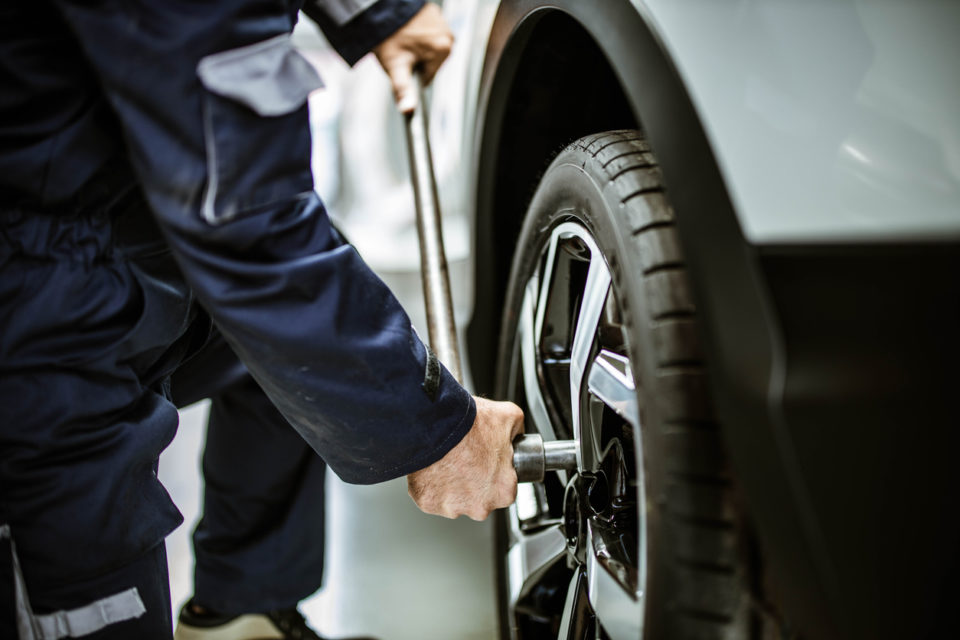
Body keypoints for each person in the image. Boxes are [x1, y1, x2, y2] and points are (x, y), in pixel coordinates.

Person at [0, 0, 523, 638]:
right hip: (31, 315)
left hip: (93, 234)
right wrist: (441, 432)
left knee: (294, 358)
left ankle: (241, 607)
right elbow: (250, 231)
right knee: (82, 547)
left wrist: (381, 11)